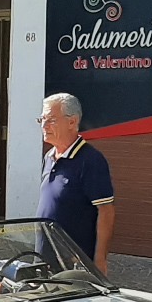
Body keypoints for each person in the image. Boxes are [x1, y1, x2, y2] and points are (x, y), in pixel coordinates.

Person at [36, 93, 115, 273]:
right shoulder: (49, 157)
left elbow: (106, 210)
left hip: (75, 262)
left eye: (51, 120)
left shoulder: (91, 161)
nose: (44, 126)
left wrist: (100, 259)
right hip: (46, 258)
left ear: (72, 122)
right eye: (42, 119)